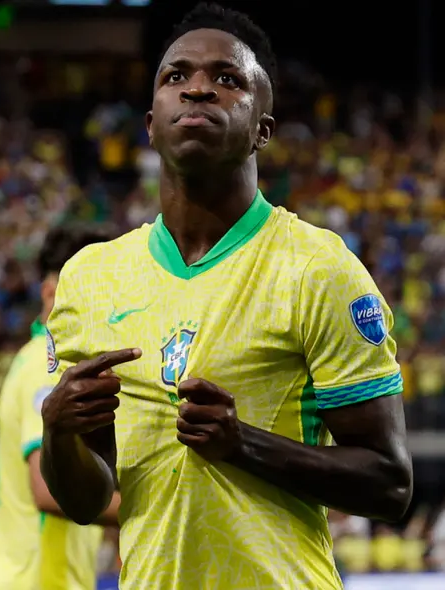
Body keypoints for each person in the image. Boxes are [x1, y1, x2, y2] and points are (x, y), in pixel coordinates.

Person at [39, 5, 413, 589]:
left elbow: (390, 484)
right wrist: (58, 434)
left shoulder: (319, 269)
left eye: (227, 79)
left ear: (262, 127)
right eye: (176, 76)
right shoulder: (89, 279)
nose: (197, 90)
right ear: (151, 123)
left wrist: (246, 446)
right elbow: (88, 500)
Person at [0, 227, 120, 590]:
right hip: (31, 581)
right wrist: (148, 514)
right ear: (51, 292)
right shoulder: (49, 368)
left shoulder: (52, 362)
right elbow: (48, 491)